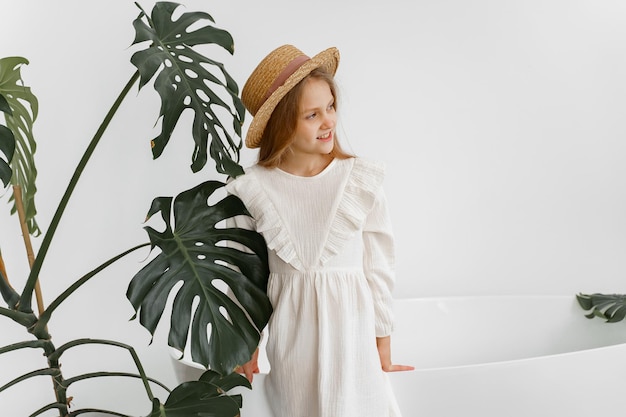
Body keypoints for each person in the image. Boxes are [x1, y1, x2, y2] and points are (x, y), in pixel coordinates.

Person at [226, 44, 414, 417]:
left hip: (354, 351)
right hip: (292, 355)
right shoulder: (253, 190)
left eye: (330, 107)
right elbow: (243, 274)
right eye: (312, 114)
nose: (329, 121)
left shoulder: (358, 180)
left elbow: (378, 268)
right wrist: (245, 346)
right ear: (281, 124)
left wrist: (384, 348)